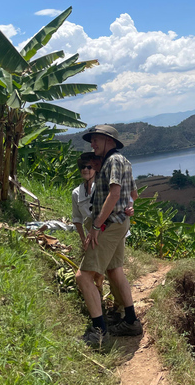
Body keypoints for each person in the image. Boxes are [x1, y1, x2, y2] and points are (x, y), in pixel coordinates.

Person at [75, 125, 141, 346]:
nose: (92, 144)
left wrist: (96, 226)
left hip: (109, 224)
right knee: (114, 269)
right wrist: (128, 206)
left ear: (109, 141)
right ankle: (130, 321)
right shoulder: (123, 161)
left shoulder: (112, 161)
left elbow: (114, 194)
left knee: (83, 276)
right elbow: (133, 193)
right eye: (91, 140)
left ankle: (99, 332)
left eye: (96, 140)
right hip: (120, 222)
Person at [71, 152, 130, 320]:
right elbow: (77, 219)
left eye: (89, 166)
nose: (86, 169)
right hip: (93, 232)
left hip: (108, 229)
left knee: (112, 269)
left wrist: (129, 208)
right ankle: (107, 306)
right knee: (101, 271)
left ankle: (119, 309)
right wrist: (83, 238)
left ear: (96, 169)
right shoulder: (76, 193)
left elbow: (119, 200)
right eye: (83, 167)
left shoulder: (103, 186)